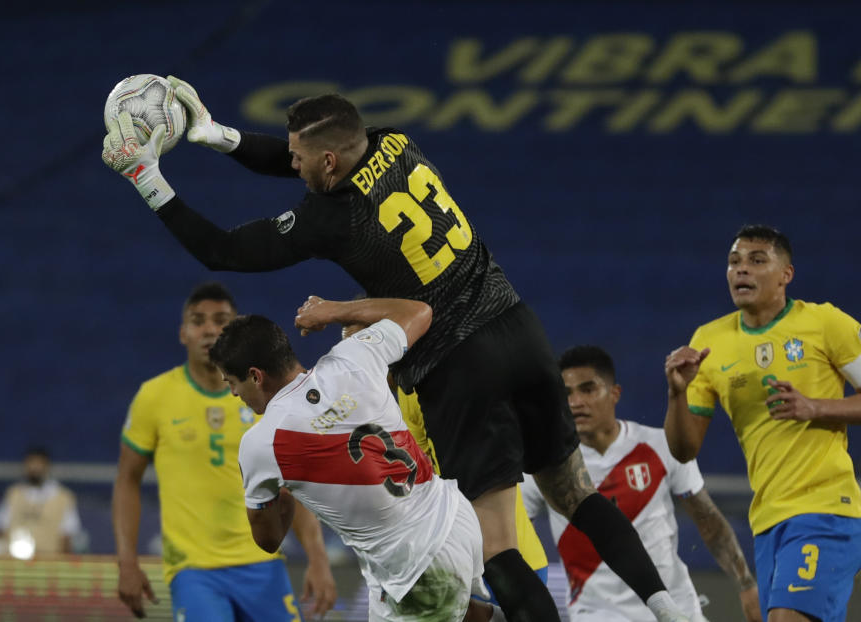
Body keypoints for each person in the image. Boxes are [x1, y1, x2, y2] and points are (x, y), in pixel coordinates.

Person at [102, 81, 689, 621]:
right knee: (575, 493)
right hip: (519, 326)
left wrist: (147, 179)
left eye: (300, 159)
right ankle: (673, 611)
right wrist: (216, 136)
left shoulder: (330, 218)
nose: (294, 167)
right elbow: (302, 155)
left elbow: (223, 250)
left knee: (496, 544)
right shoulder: (393, 142)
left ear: (328, 162)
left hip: (460, 364)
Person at [212, 295, 501, 622]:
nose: (234, 394)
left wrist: (282, 490)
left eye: (232, 383)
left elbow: (268, 539)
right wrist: (333, 311)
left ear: (255, 376)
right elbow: (419, 312)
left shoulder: (261, 443)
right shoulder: (354, 356)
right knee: (466, 614)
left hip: (416, 564)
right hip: (451, 519)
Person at [663, 225, 861, 622]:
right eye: (734, 262)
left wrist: (816, 407)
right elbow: (684, 450)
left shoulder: (825, 323)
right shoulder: (710, 342)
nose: (742, 271)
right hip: (768, 519)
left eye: (756, 261)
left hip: (825, 508)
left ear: (786, 274)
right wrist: (677, 394)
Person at [112, 282, 336, 621]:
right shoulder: (153, 397)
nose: (209, 329)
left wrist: (318, 558)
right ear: (182, 332)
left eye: (220, 320)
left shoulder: (265, 398)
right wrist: (127, 561)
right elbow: (127, 480)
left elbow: (290, 483)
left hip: (264, 564)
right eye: (197, 320)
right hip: (194, 570)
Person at [520, 345, 761, 622]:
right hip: (597, 615)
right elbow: (513, 537)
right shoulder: (545, 467)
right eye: (567, 394)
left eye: (588, 389)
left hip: (676, 607)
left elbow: (708, 520)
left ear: (614, 394)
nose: (576, 402)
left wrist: (746, 585)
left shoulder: (660, 445)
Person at [339, 321, 551, 597]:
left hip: (501, 561)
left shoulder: (436, 383)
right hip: (467, 563)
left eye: (364, 349)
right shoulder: (408, 390)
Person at [0, 446, 82, 558]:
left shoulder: (63, 497)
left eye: (39, 464)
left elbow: (67, 536)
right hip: (14, 562)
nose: (35, 468)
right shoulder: (14, 494)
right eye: (31, 463)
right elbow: (1, 529)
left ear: (47, 466)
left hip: (48, 562)